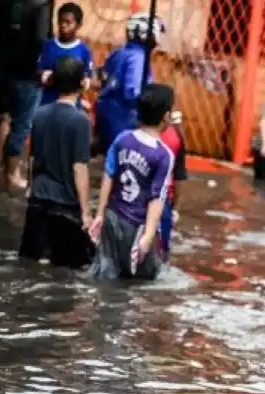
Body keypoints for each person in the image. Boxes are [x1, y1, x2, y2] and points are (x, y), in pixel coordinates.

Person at [88, 84, 176, 281]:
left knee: (105, 274)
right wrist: (149, 234)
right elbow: (157, 197)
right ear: (166, 116)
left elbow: (108, 175)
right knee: (140, 281)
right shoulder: (163, 155)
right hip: (136, 227)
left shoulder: (122, 139)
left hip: (112, 217)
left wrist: (100, 214)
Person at [20, 56, 93, 268]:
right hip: (64, 206)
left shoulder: (40, 114)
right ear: (82, 83)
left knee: (33, 264)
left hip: (37, 201)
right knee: (66, 269)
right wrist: (86, 212)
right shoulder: (80, 121)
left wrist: (31, 187)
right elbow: (79, 167)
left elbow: (32, 157)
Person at [0, 0, 51, 192]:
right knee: (21, 126)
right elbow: (40, 39)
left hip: (0, 70)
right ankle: (11, 174)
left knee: (0, 117)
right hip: (27, 74)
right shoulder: (40, 5)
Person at [94, 12, 165, 155]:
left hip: (106, 111)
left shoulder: (119, 52)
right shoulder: (138, 58)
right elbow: (132, 93)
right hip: (124, 118)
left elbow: (102, 75)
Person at [37, 3, 94, 107]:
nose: (63, 25)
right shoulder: (48, 46)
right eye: (60, 21)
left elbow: (87, 81)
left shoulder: (84, 51)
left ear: (78, 25)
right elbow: (38, 72)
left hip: (71, 108)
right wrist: (49, 77)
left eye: (68, 22)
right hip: (47, 105)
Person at [158, 110, 188, 259]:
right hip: (164, 200)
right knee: (162, 252)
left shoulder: (131, 134)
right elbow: (179, 176)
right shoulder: (176, 138)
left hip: (134, 201)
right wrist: (175, 209)